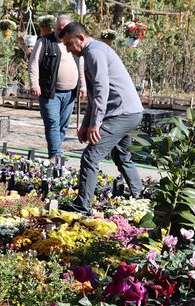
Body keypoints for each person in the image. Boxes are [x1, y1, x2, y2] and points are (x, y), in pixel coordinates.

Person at [57, 22, 144, 215]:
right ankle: (140, 197)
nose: (69, 51)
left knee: (91, 156)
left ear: (80, 38)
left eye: (69, 44)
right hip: (130, 111)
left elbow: (102, 90)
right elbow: (95, 93)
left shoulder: (93, 52)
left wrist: (95, 124)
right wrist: (85, 124)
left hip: (122, 113)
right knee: (121, 155)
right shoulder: (95, 50)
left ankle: (81, 206)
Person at [28, 14, 86, 164]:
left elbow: (81, 65)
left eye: (64, 28)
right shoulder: (44, 42)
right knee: (52, 123)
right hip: (50, 92)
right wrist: (34, 84)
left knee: (63, 125)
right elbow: (33, 62)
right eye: (59, 28)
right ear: (55, 27)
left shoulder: (72, 43)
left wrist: (83, 85)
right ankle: (56, 154)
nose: (61, 31)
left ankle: (56, 153)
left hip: (70, 93)